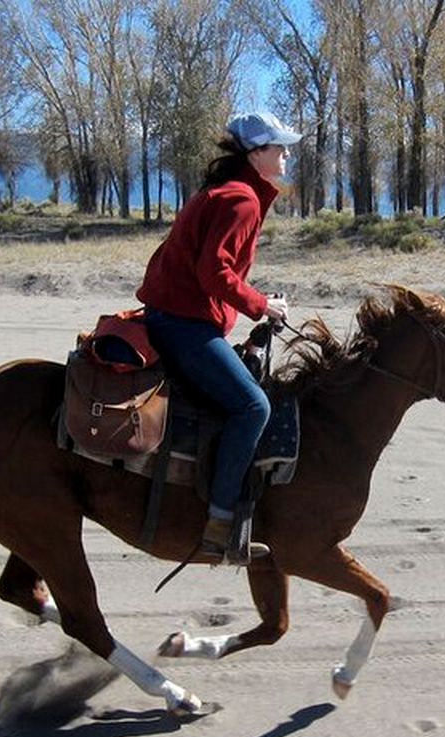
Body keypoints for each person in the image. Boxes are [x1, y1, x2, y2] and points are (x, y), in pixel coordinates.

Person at [136, 111, 301, 563]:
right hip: (184, 325)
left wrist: (246, 305)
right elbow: (214, 272)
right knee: (254, 406)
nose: (286, 153)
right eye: (278, 146)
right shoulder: (241, 200)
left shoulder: (227, 193)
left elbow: (206, 271)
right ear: (255, 153)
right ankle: (221, 521)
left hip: (179, 317)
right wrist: (262, 305)